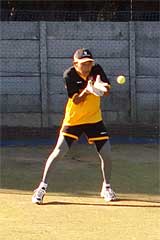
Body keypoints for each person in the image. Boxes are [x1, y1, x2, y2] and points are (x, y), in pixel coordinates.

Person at [32, 48, 116, 204]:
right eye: (83, 64)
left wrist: (101, 88)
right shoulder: (69, 75)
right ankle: (41, 188)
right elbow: (76, 100)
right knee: (59, 151)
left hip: (94, 119)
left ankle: (107, 187)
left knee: (107, 153)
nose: (87, 66)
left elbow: (106, 90)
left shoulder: (97, 69)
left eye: (89, 63)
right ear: (75, 64)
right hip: (74, 120)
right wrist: (88, 90)